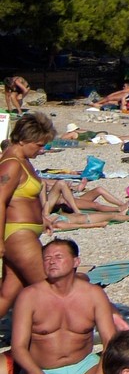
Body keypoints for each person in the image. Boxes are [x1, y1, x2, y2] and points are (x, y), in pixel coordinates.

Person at [4, 239, 114, 374]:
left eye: (58, 257)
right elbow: (18, 347)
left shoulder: (93, 294)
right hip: (46, 370)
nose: (52, 262)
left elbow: (110, 341)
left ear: (76, 261)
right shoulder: (29, 297)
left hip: (84, 366)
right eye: (47, 259)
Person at [0, 112, 55, 322]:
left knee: (8, 294)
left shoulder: (22, 159)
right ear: (23, 140)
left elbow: (24, 197)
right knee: (48, 286)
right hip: (17, 234)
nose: (41, 151)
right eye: (39, 145)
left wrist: (43, 217)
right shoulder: (12, 163)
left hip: (25, 232)